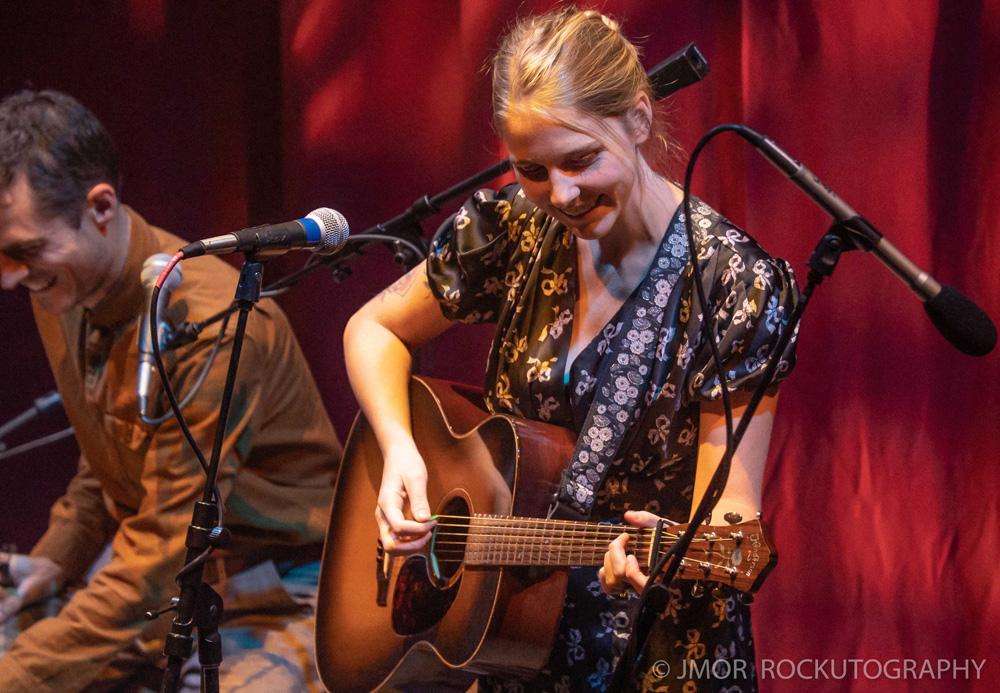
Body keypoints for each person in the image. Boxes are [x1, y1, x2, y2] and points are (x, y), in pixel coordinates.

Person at [345, 7, 800, 693]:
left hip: (658, 649)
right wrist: (399, 450)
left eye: (582, 159)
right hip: (509, 638)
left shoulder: (731, 284)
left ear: (640, 120)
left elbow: (733, 515)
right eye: (532, 168)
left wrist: (670, 557)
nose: (560, 194)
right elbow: (371, 329)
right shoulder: (513, 230)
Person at [0, 89, 342, 692]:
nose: (12, 278)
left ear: (101, 206)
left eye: (24, 253)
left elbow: (161, 548)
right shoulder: (62, 286)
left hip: (282, 582)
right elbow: (106, 454)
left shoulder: (210, 321)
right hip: (164, 574)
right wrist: (58, 557)